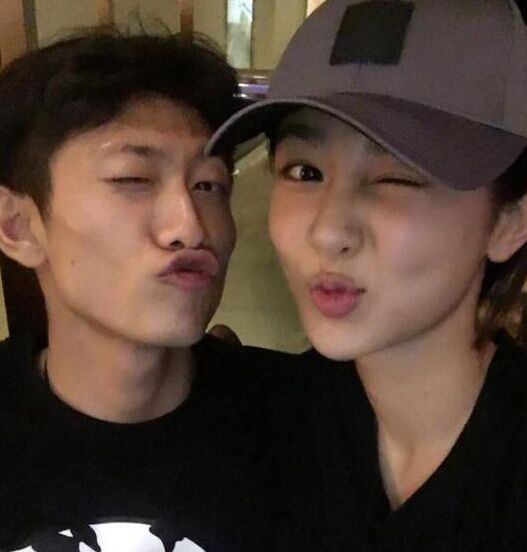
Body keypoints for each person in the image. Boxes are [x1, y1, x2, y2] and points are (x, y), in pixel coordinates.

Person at [207, 0, 527, 549]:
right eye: (304, 171)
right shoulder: (259, 426)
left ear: (510, 221)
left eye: (396, 178)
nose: (328, 231)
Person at [0, 29, 273, 552]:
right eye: (133, 179)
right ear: (18, 227)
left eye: (209, 185)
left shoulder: (307, 424)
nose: (189, 227)